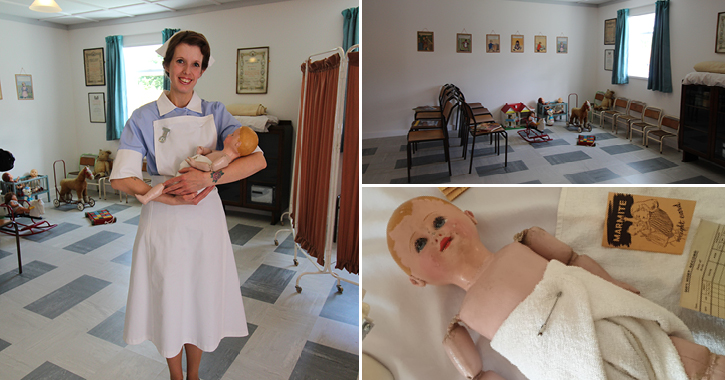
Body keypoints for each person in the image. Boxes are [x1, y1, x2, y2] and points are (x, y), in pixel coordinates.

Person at [386, 196, 725, 380]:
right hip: (564, 361)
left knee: (682, 359)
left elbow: (575, 260)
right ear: (418, 281)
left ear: (470, 216)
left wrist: (612, 285)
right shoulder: (461, 324)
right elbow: (477, 374)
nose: (434, 235)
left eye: (439, 221)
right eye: (419, 244)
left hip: (602, 316)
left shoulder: (523, 243)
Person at [110, 30, 266, 380]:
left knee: (198, 295)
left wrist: (206, 179)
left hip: (205, 221)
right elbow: (122, 178)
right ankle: (176, 376)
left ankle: (193, 375)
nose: (188, 70)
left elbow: (256, 160)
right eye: (181, 61)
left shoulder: (215, 113)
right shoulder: (143, 117)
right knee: (169, 297)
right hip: (163, 223)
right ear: (167, 65)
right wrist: (167, 195)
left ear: (202, 70)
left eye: (196, 64)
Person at [136, 125, 258, 204]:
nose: (228, 135)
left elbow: (211, 168)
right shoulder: (222, 154)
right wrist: (204, 151)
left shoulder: (224, 159)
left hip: (190, 175)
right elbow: (211, 153)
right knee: (166, 187)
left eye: (232, 135)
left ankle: (147, 198)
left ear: (237, 144)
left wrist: (195, 163)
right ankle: (147, 197)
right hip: (188, 172)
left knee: (165, 186)